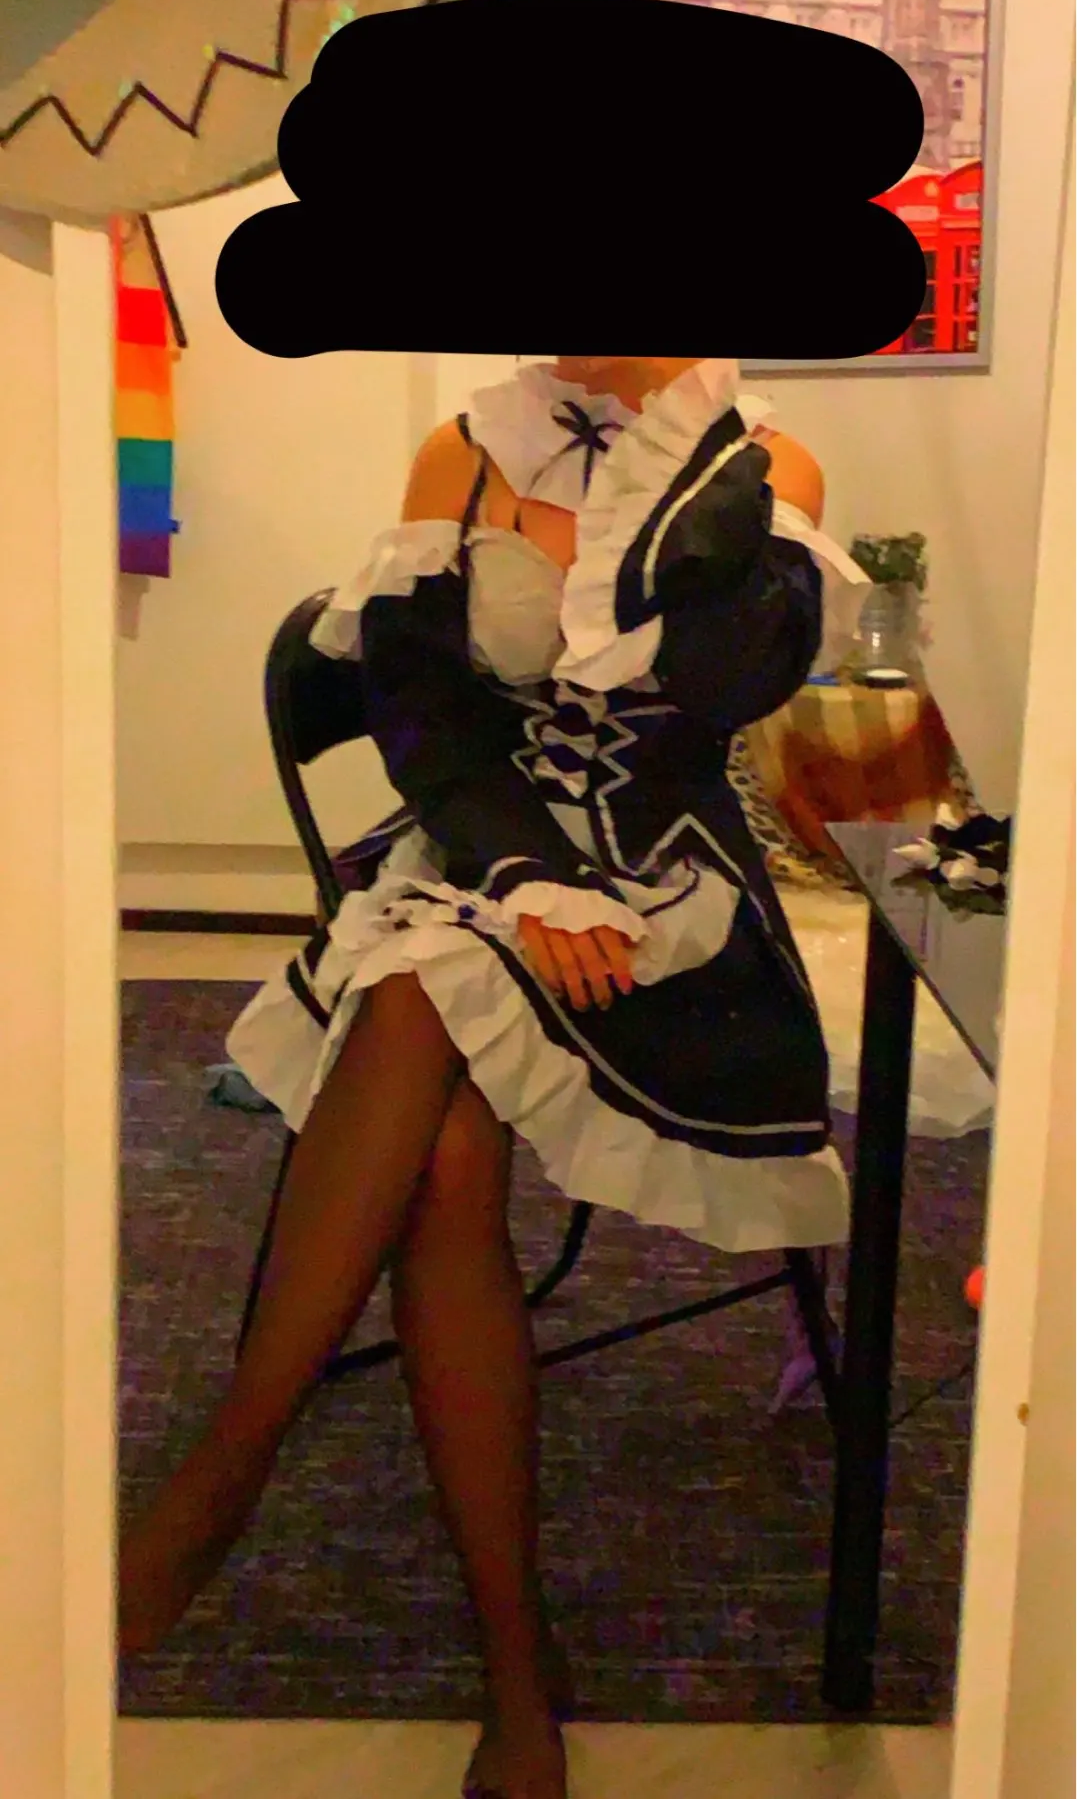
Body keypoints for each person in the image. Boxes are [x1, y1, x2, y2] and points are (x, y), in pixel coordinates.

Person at [118, 355, 869, 1799]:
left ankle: (231, 1471)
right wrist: (521, 876)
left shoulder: (769, 472)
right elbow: (427, 725)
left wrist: (693, 462)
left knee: (420, 1015)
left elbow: (726, 686)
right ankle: (516, 1664)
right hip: (481, 865)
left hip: (669, 911)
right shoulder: (458, 455)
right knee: (444, 1122)